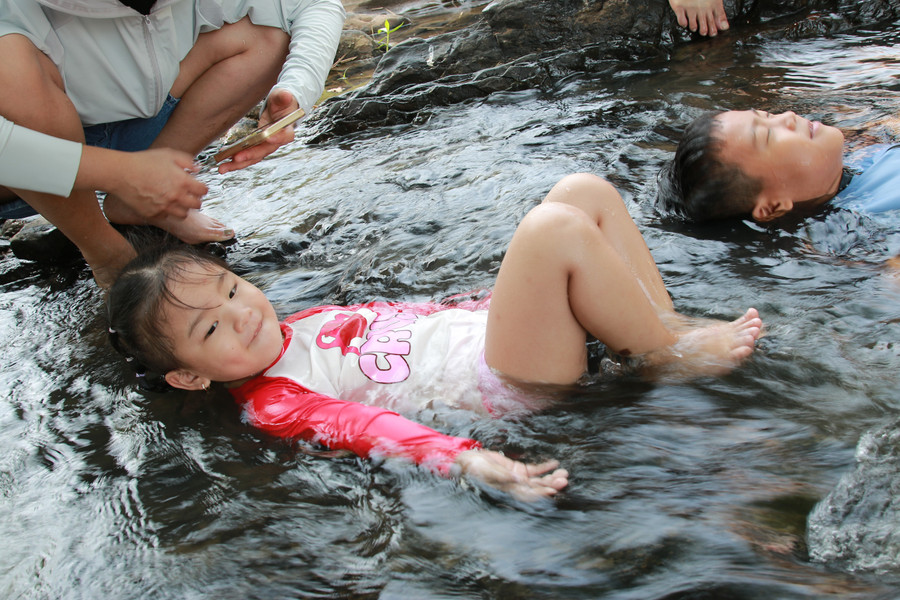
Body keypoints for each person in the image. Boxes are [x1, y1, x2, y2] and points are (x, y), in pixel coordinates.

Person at [106, 173, 763, 501]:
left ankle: (663, 328)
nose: (242, 312)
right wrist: (471, 460)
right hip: (503, 385)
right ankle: (664, 357)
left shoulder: (295, 327)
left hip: (491, 340)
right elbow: (373, 430)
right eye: (212, 326)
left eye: (229, 289)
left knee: (580, 191)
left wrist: (506, 299)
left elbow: (414, 319)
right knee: (549, 231)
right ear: (189, 375)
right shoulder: (276, 400)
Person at [0, 0, 345, 287]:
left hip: (137, 124)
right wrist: (120, 172)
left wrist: (295, 93)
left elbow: (314, 3)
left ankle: (137, 203)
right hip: (19, 168)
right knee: (9, 71)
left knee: (266, 37)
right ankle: (105, 252)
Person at [657, 109, 900, 223]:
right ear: (773, 206)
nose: (788, 116)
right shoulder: (869, 225)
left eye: (768, 116)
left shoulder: (867, 150)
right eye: (768, 137)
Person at [0, 117, 208, 221]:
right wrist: (124, 173)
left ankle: (133, 205)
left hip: (95, 127)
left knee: (234, 43)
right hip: (16, 182)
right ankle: (105, 253)